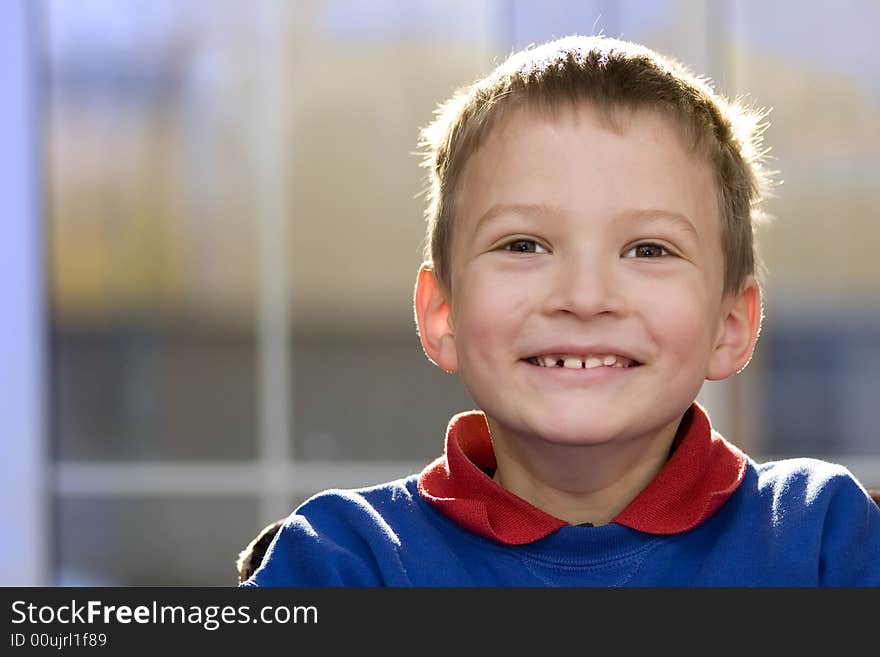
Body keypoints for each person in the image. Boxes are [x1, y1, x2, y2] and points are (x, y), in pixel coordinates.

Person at [240, 34, 880, 586]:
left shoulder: (823, 539)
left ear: (731, 326)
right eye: (524, 245)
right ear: (442, 314)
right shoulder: (345, 560)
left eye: (648, 249)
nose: (584, 297)